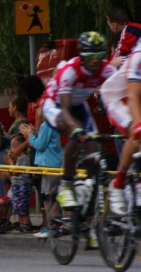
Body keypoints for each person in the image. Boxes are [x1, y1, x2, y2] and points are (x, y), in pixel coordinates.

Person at [42, 32, 116, 208]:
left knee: (93, 150)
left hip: (79, 105)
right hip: (56, 105)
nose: (95, 60)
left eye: (100, 55)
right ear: (82, 56)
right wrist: (77, 130)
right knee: (76, 133)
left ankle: (87, 197)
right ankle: (66, 183)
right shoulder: (70, 70)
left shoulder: (106, 69)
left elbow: (121, 96)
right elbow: (66, 111)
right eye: (91, 56)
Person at [102, 39, 141, 215]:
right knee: (138, 131)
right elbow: (133, 97)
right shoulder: (138, 58)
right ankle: (118, 183)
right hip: (118, 100)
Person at [20, 119, 62, 238]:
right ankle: (51, 226)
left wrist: (30, 136)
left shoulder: (47, 124)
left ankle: (52, 227)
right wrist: (33, 134)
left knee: (49, 197)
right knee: (49, 196)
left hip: (49, 165)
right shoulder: (54, 123)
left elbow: (39, 145)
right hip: (53, 164)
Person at [7, 136, 33, 233]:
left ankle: (26, 224)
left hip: (22, 186)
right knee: (18, 206)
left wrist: (10, 163)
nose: (11, 150)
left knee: (22, 206)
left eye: (12, 148)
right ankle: (22, 223)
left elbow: (15, 172)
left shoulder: (24, 158)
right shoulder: (20, 158)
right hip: (17, 186)